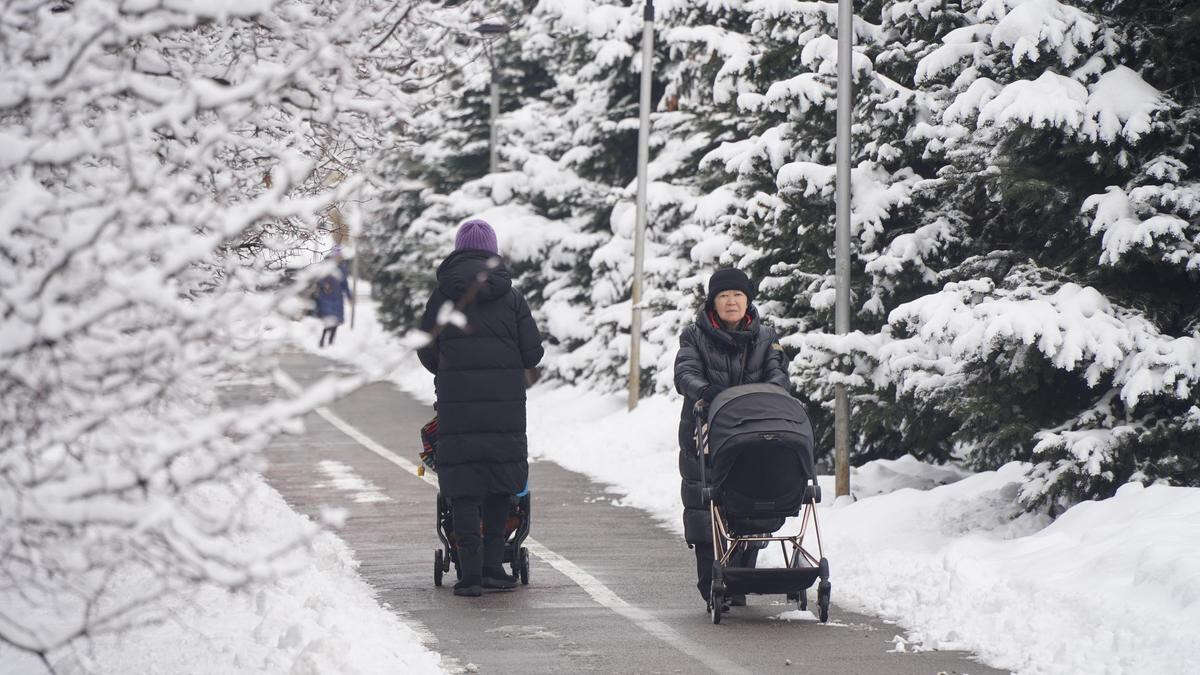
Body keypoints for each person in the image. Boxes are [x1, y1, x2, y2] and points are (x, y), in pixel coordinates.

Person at [417, 219, 544, 597]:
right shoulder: (512, 296)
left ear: (458, 250)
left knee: (465, 490)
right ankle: (492, 568)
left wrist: (448, 371)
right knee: (499, 486)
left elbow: (426, 347)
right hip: (505, 408)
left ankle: (469, 575)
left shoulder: (443, 295)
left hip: (457, 408)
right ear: (493, 251)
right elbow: (533, 352)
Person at [674, 268, 789, 605]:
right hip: (705, 428)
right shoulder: (694, 336)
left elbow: (779, 375)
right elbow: (685, 373)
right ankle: (710, 580)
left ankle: (741, 576)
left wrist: (761, 397)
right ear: (714, 301)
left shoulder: (766, 336)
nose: (731, 301)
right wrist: (708, 393)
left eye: (738, 295)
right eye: (724, 296)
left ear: (748, 299)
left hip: (753, 429)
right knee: (704, 502)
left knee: (751, 496)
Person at [314, 249, 352, 347]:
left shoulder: (342, 269)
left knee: (336, 321)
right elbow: (318, 280)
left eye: (340, 257)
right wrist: (324, 285)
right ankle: (322, 340)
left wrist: (349, 296)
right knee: (329, 321)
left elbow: (345, 284)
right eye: (337, 256)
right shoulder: (326, 268)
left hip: (338, 299)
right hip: (326, 298)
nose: (338, 258)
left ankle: (331, 342)